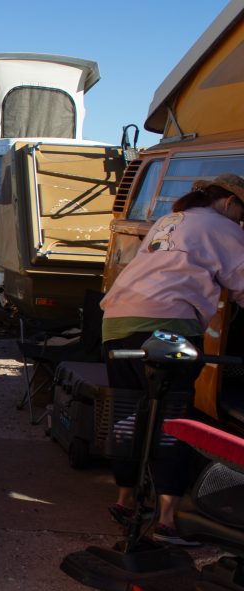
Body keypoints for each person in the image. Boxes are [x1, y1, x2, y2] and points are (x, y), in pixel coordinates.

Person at [100, 172, 244, 546]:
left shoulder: (170, 220)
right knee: (173, 419)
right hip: (168, 324)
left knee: (129, 414)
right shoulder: (223, 226)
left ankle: (125, 500)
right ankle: (166, 521)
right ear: (230, 202)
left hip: (117, 322)